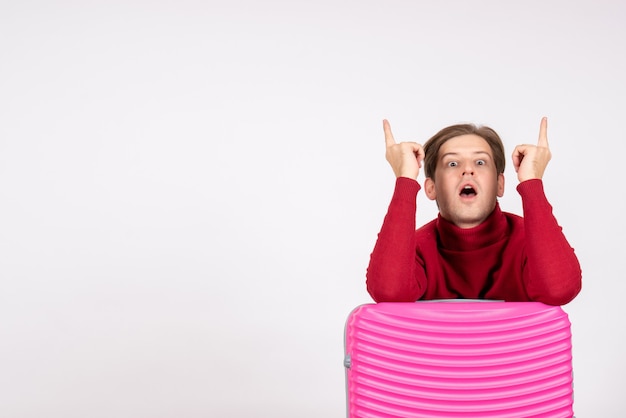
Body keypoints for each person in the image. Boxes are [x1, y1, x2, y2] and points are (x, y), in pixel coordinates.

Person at [366, 117, 581, 306]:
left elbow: (559, 290)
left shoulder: (530, 242)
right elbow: (388, 293)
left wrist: (532, 181)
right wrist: (405, 179)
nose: (467, 169)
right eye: (452, 163)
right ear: (431, 188)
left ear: (499, 184)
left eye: (480, 162)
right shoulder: (417, 250)